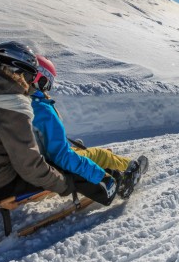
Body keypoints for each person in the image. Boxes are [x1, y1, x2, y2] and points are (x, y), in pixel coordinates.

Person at [0, 41, 115, 206]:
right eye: (31, 75)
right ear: (18, 72)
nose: (31, 84)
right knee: (62, 167)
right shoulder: (12, 106)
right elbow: (30, 166)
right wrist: (64, 184)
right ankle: (108, 192)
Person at [31, 55, 148, 199]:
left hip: (37, 162)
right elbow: (61, 156)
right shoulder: (41, 109)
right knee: (101, 154)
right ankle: (131, 171)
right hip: (51, 164)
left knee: (80, 151)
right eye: (48, 83)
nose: (48, 88)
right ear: (39, 79)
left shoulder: (21, 104)